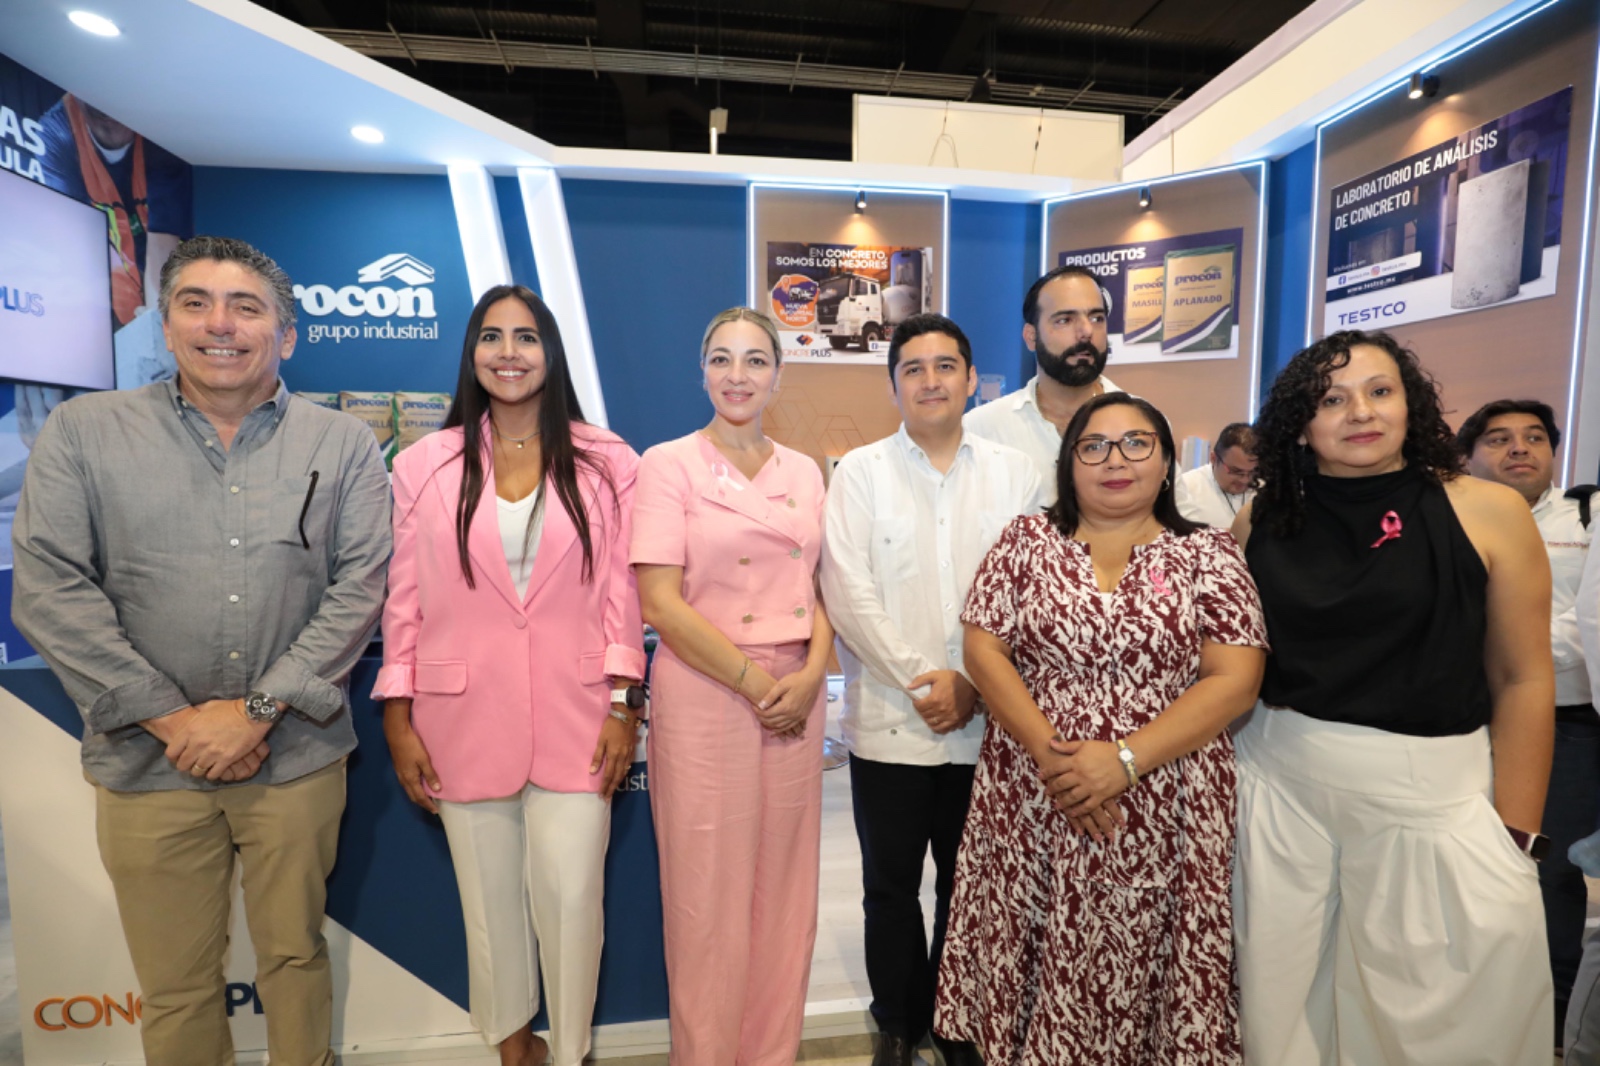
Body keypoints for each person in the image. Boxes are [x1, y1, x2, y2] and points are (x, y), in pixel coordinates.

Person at [10, 235, 392, 1066]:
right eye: (196, 303)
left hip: (293, 757)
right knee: (175, 985)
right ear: (166, 325)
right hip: (148, 763)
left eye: (246, 307)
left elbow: (359, 589)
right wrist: (175, 720)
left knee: (294, 957)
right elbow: (49, 591)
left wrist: (254, 712)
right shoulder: (84, 432)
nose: (221, 324)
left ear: (286, 335)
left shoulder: (341, 443)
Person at [1232, 331, 1555, 1065]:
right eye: (1332, 399)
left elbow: (1524, 678)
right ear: (1300, 424)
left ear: (1412, 404)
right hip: (1278, 793)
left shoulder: (1487, 511)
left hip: (1433, 800)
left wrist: (1517, 836)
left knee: (1443, 1028)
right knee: (1281, 1020)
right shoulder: (1258, 520)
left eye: (1380, 392)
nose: (1361, 413)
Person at [935, 391, 1269, 1063]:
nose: (1115, 460)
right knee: (1035, 953)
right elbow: (983, 649)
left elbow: (1236, 678)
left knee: (1146, 966)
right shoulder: (1025, 542)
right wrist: (1055, 759)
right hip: (1035, 792)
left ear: (1167, 462)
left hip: (1165, 797)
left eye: (1136, 443)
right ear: (1068, 464)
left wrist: (1121, 762)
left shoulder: (1208, 553)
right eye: (1094, 447)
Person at [374, 285, 646, 1066]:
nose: (508, 353)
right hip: (458, 718)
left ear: (550, 352)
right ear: (472, 355)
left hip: (582, 717)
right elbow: (403, 599)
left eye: (526, 337)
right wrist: (397, 714)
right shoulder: (423, 464)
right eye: (491, 337)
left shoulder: (609, 460)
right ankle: (514, 1050)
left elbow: (624, 599)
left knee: (574, 904)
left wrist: (625, 707)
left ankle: (572, 1052)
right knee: (489, 912)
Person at [820, 314, 1041, 1066]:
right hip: (890, 723)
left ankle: (955, 1023)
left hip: (988, 727)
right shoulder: (860, 473)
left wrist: (974, 685)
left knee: (967, 887)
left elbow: (1030, 590)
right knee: (888, 889)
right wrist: (928, 682)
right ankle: (897, 1021)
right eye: (913, 368)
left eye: (946, 366)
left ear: (971, 379)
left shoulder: (1016, 474)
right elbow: (848, 593)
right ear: (894, 386)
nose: (930, 380)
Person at [632, 307, 833, 1065]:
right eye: (722, 359)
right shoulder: (668, 464)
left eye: (755, 360)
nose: (738, 375)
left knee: (786, 891)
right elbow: (660, 603)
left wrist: (811, 677)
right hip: (708, 687)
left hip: (796, 695)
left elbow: (823, 589)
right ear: (702, 372)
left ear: (778, 375)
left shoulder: (804, 470)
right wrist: (755, 681)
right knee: (706, 898)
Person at [1458, 398, 1596, 1039]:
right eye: (1499, 439)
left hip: (1567, 723)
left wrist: (1514, 651)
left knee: (1548, 867)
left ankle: (1551, 1015)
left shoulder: (1587, 518)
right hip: (1464, 719)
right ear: (1466, 457)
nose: (1519, 448)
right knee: (1466, 858)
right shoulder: (1449, 518)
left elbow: (1589, 623)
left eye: (1535, 437)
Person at [963, 264, 1124, 503]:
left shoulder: (1145, 423)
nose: (1086, 331)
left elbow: (1174, 517)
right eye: (1065, 320)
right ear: (1031, 337)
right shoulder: (981, 429)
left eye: (1096, 318)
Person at [1176, 422, 1258, 527]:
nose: (1245, 480)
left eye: (1252, 472)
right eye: (1236, 471)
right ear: (1213, 459)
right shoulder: (1185, 488)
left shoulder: (1264, 489)